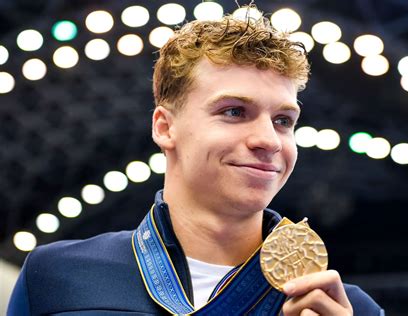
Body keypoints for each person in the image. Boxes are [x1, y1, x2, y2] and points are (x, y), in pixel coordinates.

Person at [8, 7, 384, 315]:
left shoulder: (343, 308)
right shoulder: (56, 279)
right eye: (235, 112)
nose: (269, 140)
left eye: (283, 121)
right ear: (165, 128)